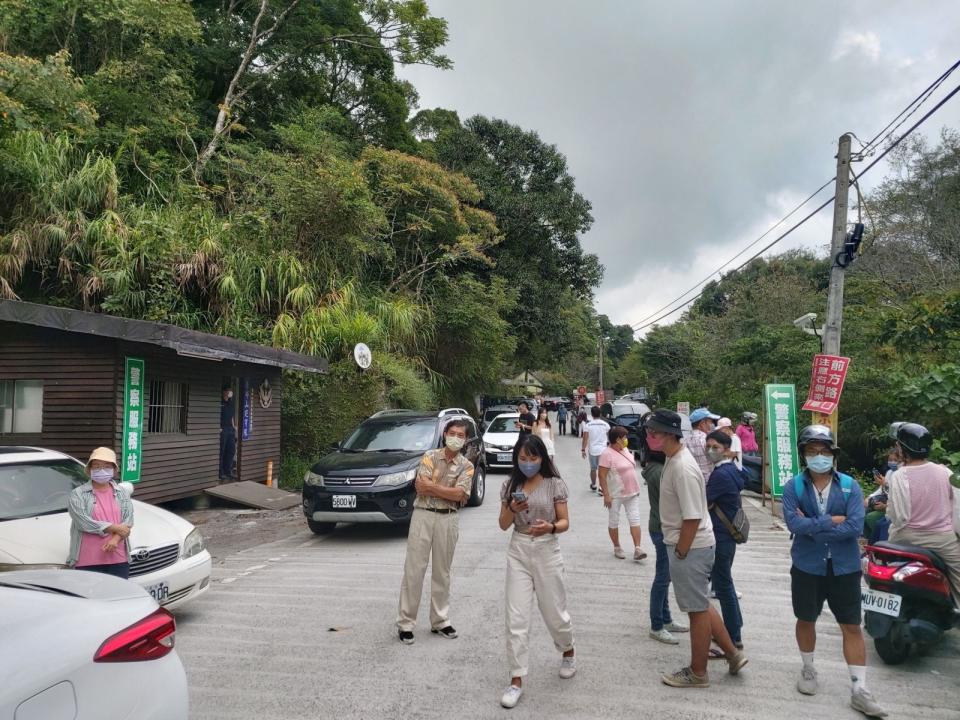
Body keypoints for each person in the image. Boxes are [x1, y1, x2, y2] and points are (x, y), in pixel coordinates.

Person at [781, 424, 886, 718]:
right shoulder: (794, 487)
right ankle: (808, 668)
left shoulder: (850, 486)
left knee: (851, 625)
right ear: (804, 454)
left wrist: (813, 525)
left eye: (824, 451)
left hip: (844, 567)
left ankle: (859, 689)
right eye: (813, 451)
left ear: (833, 454)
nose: (819, 456)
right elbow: (793, 524)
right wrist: (830, 522)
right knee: (806, 618)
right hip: (806, 565)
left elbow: (855, 526)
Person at [644, 409, 747, 688]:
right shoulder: (674, 459)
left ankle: (698, 672)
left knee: (696, 610)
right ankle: (733, 653)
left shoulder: (682, 467)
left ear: (670, 434)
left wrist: (680, 551)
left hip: (690, 546)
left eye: (654, 432)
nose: (649, 436)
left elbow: (691, 516)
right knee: (700, 602)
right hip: (692, 544)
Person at [498, 435, 575, 709]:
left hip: (547, 548)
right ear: (516, 459)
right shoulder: (510, 485)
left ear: (542, 458)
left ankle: (568, 650)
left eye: (533, 458)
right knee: (516, 617)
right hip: (518, 548)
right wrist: (511, 507)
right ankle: (516, 679)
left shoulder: (555, 484)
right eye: (523, 458)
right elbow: (503, 524)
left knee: (555, 612)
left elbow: (565, 521)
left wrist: (551, 527)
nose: (528, 463)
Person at [397, 420, 475, 644]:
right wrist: (448, 491)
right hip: (423, 514)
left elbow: (460, 495)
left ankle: (440, 620)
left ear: (465, 439)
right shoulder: (430, 456)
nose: (456, 438)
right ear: (444, 434)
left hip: (448, 519)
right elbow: (421, 487)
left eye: (461, 435)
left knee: (443, 572)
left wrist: (434, 488)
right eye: (452, 433)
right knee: (414, 570)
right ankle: (405, 623)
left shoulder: (467, 465)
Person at [886, 422, 960, 605]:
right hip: (942, 540)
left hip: (904, 537)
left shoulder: (899, 476)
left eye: (898, 445)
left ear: (904, 449)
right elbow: (957, 508)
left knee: (885, 571)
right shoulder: (945, 472)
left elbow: (897, 516)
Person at [643, 429, 689, 644]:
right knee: (662, 577)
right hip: (662, 529)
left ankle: (666, 618)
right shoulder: (659, 472)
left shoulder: (659, 468)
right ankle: (657, 625)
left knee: (666, 575)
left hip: (662, 527)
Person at [705, 430, 745, 651]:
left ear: (727, 450)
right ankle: (734, 628)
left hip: (721, 536)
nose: (710, 451)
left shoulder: (720, 475)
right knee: (724, 583)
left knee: (723, 585)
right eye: (708, 446)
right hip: (727, 535)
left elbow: (704, 501)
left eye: (715, 447)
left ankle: (732, 635)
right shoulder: (732, 470)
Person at [67, 447, 134, 578]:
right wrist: (115, 528)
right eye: (96, 466)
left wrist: (115, 539)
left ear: (114, 470)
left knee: (118, 596)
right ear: (89, 470)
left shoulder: (122, 493)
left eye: (107, 466)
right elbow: (83, 522)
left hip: (118, 557)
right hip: (87, 559)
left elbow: (128, 520)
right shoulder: (78, 494)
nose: (101, 470)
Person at [598, 426, 647, 561]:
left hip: (632, 492)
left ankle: (637, 548)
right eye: (624, 437)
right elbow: (602, 476)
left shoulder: (625, 450)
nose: (626, 439)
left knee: (635, 519)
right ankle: (617, 546)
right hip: (616, 493)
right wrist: (606, 495)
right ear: (617, 439)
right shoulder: (607, 454)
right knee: (614, 520)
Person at [580, 406, 610, 492]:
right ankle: (601, 488)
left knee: (593, 469)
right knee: (602, 469)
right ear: (600, 414)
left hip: (593, 451)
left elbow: (585, 439)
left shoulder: (588, 425)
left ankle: (593, 485)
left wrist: (583, 450)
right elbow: (610, 437)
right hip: (603, 451)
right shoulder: (606, 425)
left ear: (592, 415)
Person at [687, 407, 720, 482]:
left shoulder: (686, 439)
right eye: (710, 422)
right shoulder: (706, 439)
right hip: (707, 480)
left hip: (692, 479)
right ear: (702, 423)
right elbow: (717, 459)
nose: (711, 425)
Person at [219, 385, 237, 480]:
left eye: (231, 391)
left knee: (231, 450)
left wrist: (234, 426)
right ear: (224, 392)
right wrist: (219, 427)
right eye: (229, 391)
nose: (230, 393)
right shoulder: (220, 402)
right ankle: (220, 472)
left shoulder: (231, 402)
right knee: (222, 451)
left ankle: (228, 471)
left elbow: (232, 416)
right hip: (223, 429)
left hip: (230, 429)